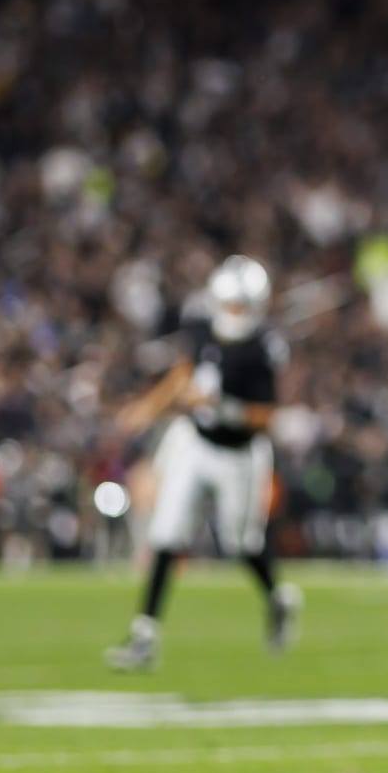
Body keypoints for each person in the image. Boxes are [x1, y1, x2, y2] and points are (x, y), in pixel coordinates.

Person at [104, 255, 301, 671]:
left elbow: (266, 417)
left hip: (240, 454)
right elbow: (183, 374)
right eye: (230, 304)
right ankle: (145, 635)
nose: (235, 312)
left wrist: (220, 405)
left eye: (242, 305)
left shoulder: (262, 347)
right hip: (195, 442)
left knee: (241, 543)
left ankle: (278, 598)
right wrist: (147, 408)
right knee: (165, 533)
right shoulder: (201, 328)